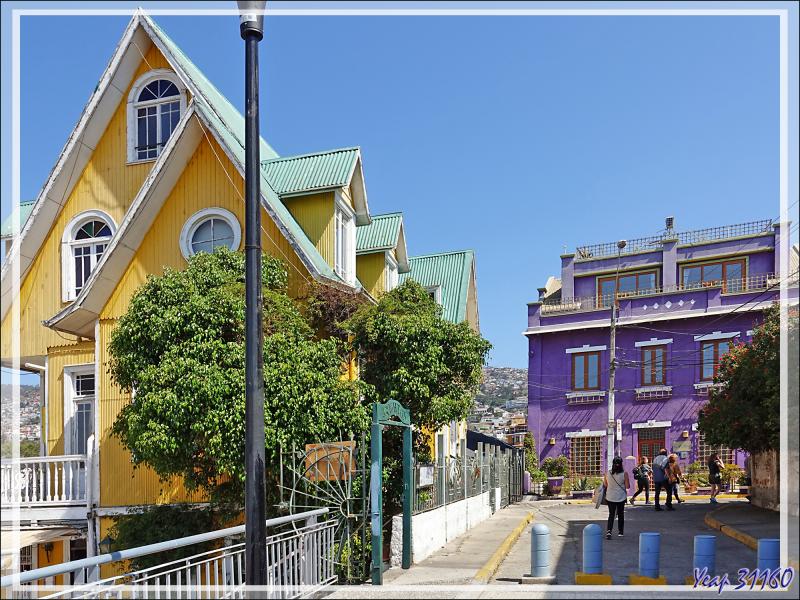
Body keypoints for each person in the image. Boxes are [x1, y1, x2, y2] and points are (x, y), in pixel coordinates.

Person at [604, 456, 630, 539]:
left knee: (611, 514)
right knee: (621, 514)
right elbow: (627, 486)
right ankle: (620, 532)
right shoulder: (624, 474)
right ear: (621, 464)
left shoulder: (608, 473)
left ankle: (609, 531)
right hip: (621, 497)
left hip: (610, 496)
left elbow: (605, 485)